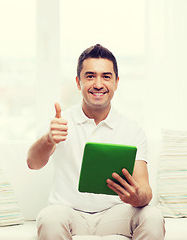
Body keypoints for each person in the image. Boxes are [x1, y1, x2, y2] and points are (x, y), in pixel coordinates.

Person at [27, 44, 165, 240]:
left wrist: (137, 197)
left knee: (152, 216)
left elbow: (145, 189)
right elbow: (33, 163)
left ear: (116, 82)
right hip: (69, 212)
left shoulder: (132, 130)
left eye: (106, 77)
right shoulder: (59, 123)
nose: (98, 84)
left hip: (116, 214)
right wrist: (49, 139)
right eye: (90, 76)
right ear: (78, 82)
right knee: (49, 218)